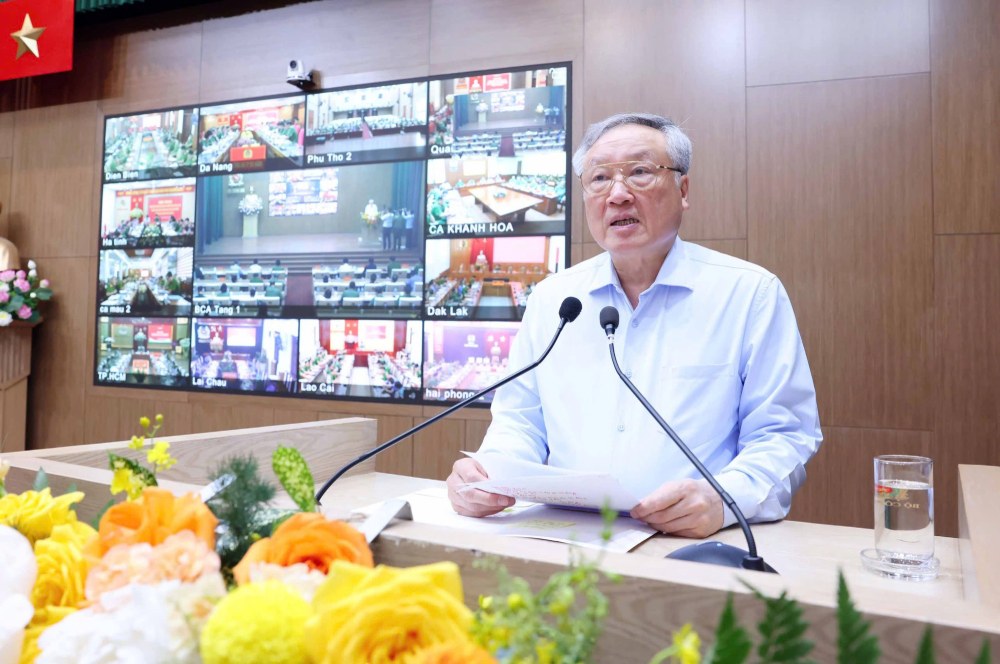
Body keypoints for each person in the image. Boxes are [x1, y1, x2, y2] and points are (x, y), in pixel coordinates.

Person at [446, 113, 822, 539]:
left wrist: (724, 499)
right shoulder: (554, 299)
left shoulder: (748, 294)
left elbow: (783, 435)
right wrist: (487, 473)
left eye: (640, 172)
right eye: (599, 178)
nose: (618, 194)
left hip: (692, 545)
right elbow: (520, 422)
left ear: (683, 190)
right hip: (565, 540)